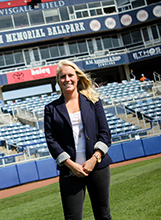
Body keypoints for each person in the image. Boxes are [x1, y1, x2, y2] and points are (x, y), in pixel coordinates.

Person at [44, 60, 113, 220]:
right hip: (70, 171)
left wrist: (94, 159)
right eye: (62, 77)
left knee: (103, 215)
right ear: (58, 81)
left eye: (70, 75)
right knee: (72, 218)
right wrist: (71, 165)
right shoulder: (51, 109)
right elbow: (51, 141)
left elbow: (105, 133)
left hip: (98, 167)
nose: (67, 79)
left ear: (77, 77)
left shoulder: (93, 101)